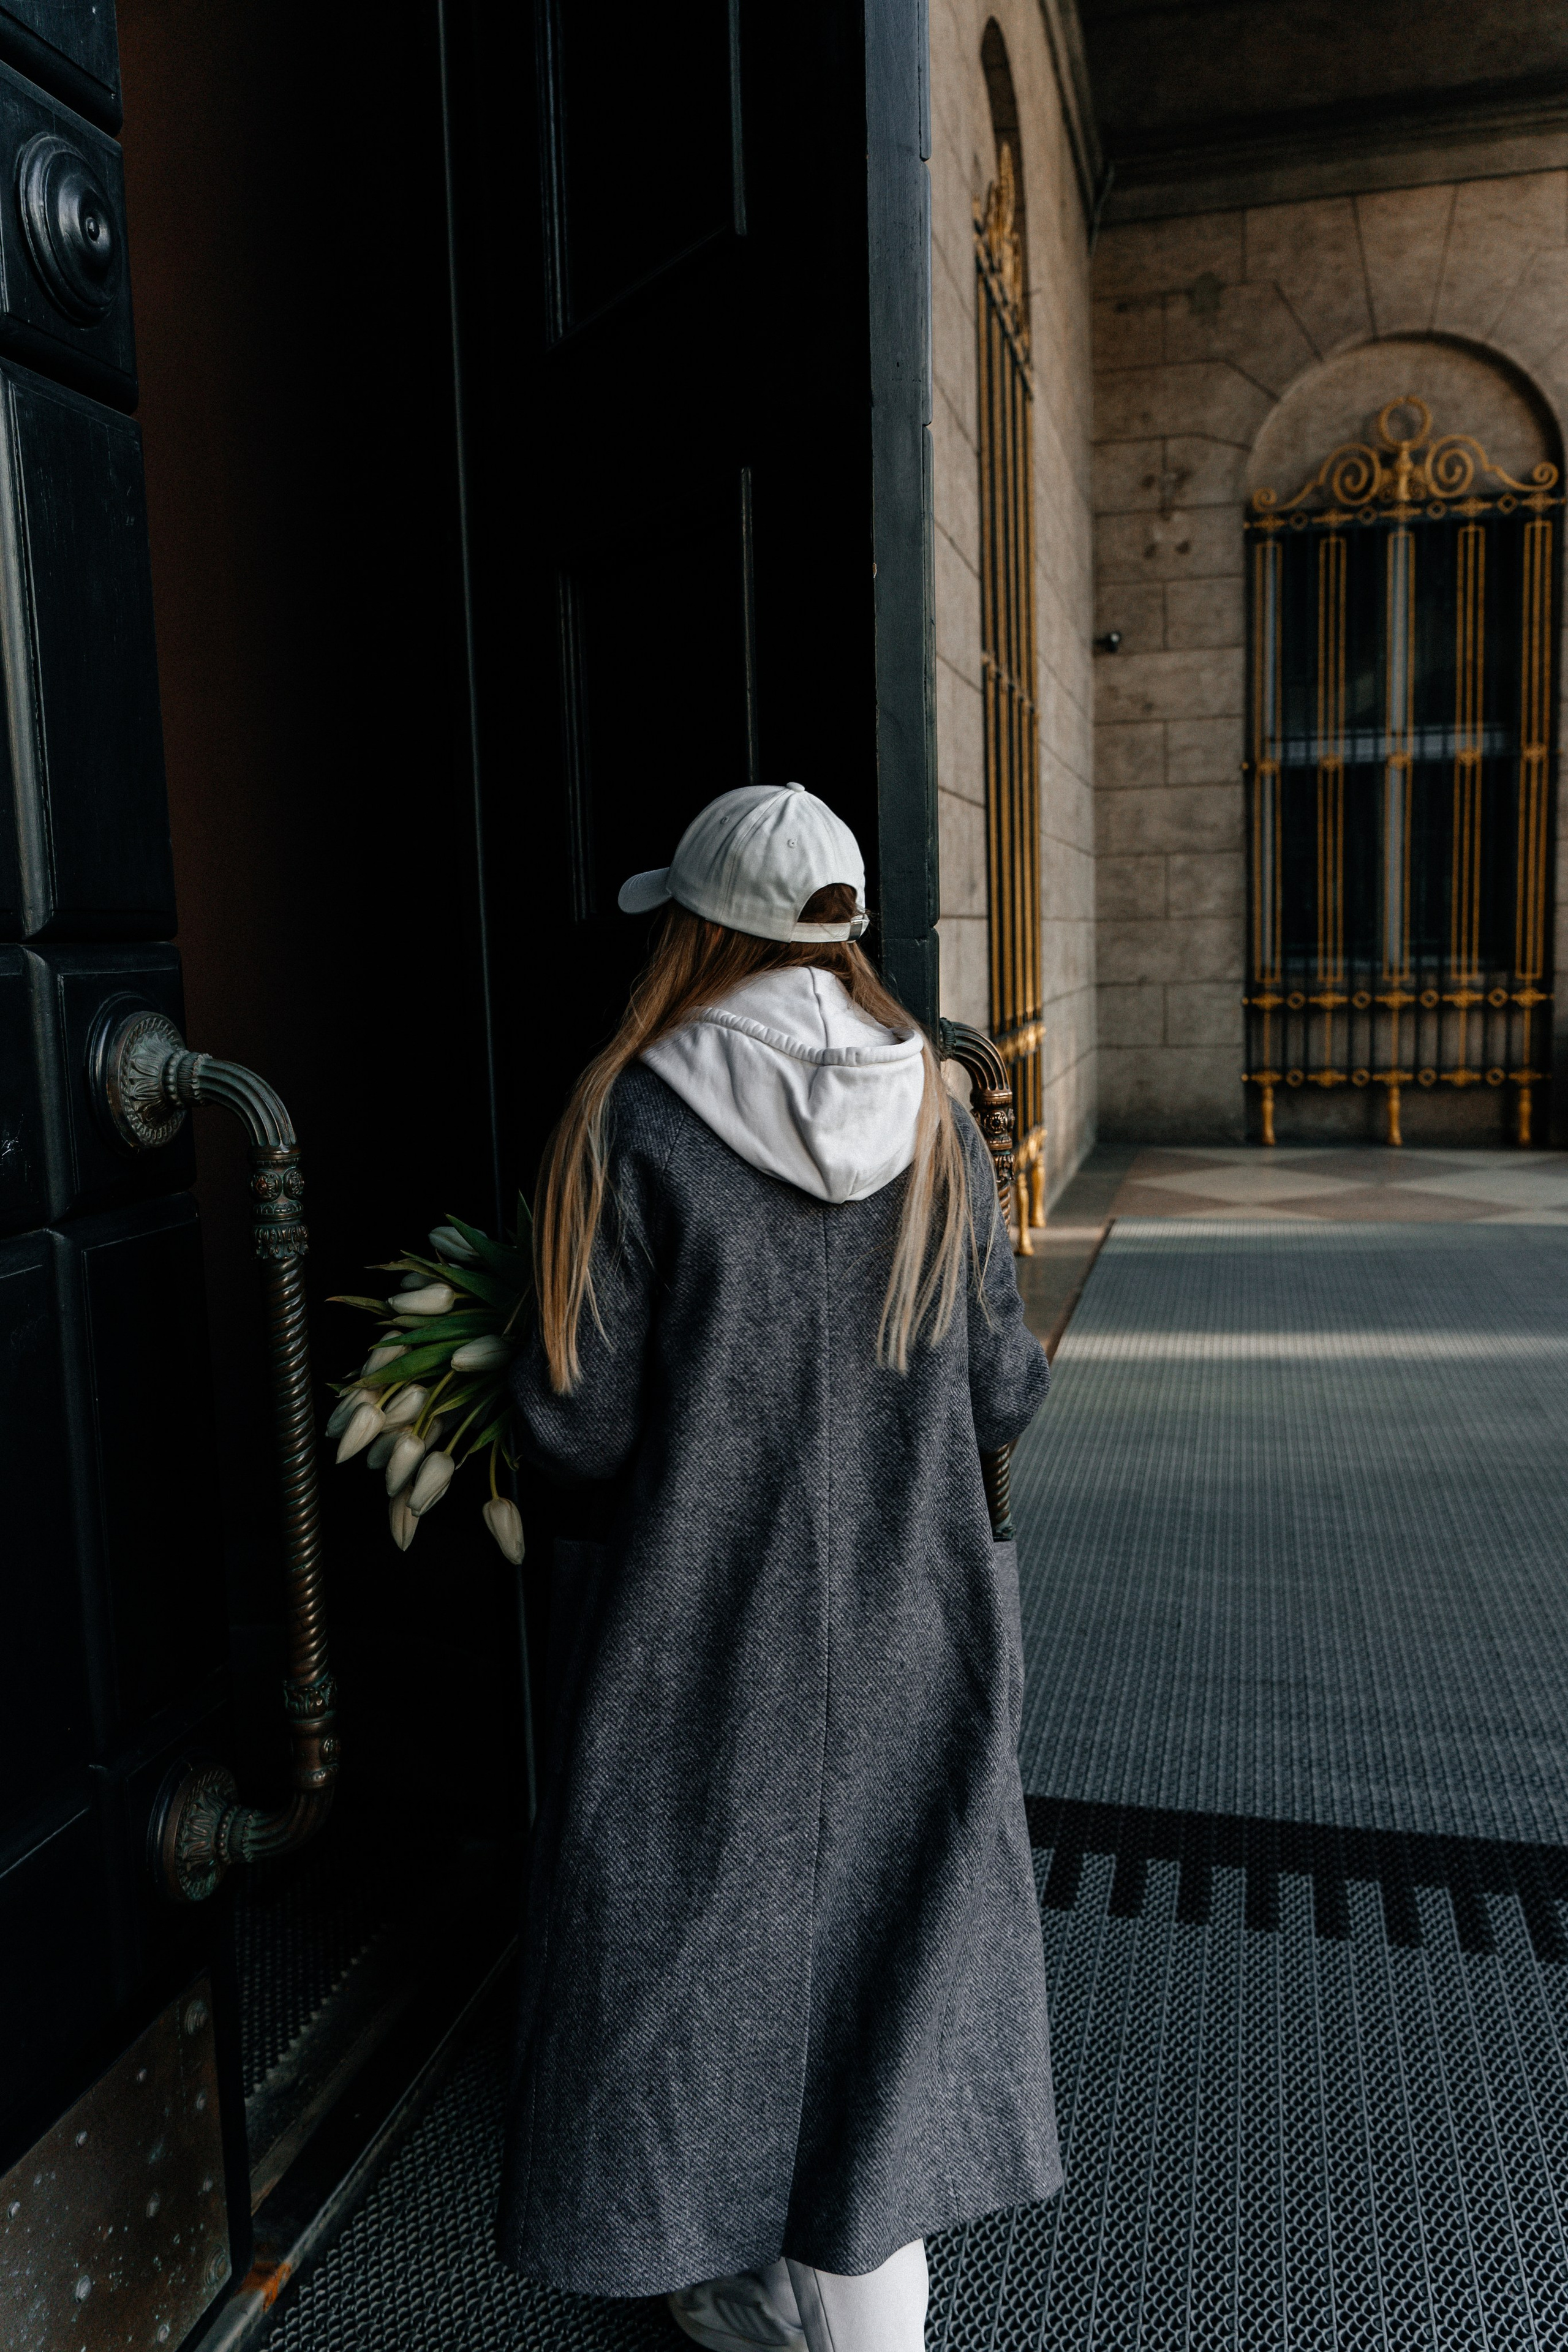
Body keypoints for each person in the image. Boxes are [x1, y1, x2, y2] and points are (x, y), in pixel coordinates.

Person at [497, 783, 1058, 2352]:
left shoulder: (630, 1112)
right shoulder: (941, 1115)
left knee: (694, 1977)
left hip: (696, 1641)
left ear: (697, 929)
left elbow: (578, 1423)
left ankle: (732, 2272)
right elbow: (1003, 1391)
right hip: (920, 1631)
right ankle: (857, 2296)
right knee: (889, 1983)